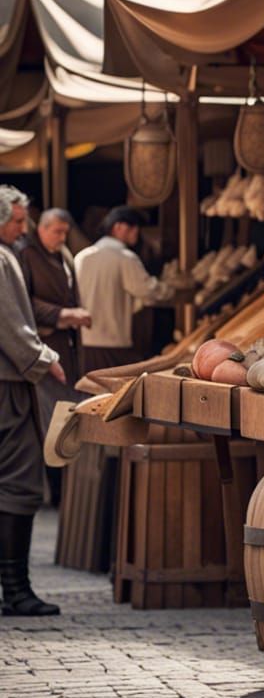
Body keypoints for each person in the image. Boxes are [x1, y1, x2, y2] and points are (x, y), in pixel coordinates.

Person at [0, 185, 63, 616]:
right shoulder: (2, 259)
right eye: (18, 221)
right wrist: (45, 360)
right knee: (19, 485)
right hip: (8, 385)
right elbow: (11, 325)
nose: (23, 230)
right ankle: (16, 590)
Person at [18, 208, 92, 508]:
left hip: (66, 347)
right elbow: (22, 302)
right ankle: (57, 491)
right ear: (43, 229)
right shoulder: (26, 254)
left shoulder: (61, 255)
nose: (62, 237)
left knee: (64, 417)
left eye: (65, 232)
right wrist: (62, 315)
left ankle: (66, 488)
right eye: (57, 232)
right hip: (42, 348)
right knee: (51, 420)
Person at [74, 207, 174, 372]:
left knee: (91, 394)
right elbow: (147, 290)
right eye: (132, 227)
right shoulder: (124, 257)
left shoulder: (81, 256)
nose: (136, 232)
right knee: (115, 393)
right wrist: (170, 289)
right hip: (113, 340)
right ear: (118, 227)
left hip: (85, 340)